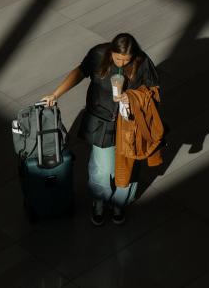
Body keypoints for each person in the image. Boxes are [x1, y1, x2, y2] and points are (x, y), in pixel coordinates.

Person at [42, 32, 160, 226]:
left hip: (129, 124)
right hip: (101, 121)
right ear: (110, 52)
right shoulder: (98, 54)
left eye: (126, 59)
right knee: (102, 168)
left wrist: (131, 97)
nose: (121, 63)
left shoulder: (142, 62)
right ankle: (99, 201)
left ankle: (119, 203)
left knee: (129, 166)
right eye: (117, 58)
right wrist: (55, 94)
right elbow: (80, 72)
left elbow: (153, 90)